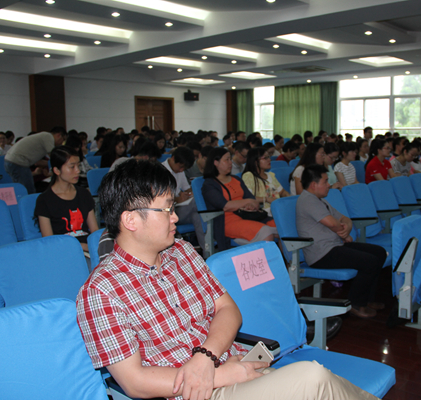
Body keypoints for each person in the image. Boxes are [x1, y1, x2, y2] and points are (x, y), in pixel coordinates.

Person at [76, 159, 376, 400]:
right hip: (191, 392)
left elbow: (228, 309)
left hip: (229, 366)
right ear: (130, 220)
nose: (176, 217)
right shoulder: (101, 292)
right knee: (312, 379)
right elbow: (135, 383)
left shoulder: (180, 251)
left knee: (319, 384)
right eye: (167, 209)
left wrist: (207, 357)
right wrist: (222, 375)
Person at [296, 165, 386, 319]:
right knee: (369, 261)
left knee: (379, 252)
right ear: (313, 185)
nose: (329, 185)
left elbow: (344, 219)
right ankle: (356, 304)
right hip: (321, 253)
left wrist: (346, 228)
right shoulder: (307, 201)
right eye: (325, 181)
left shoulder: (320, 201)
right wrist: (343, 231)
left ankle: (367, 299)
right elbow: (332, 223)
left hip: (334, 246)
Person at [202, 148, 277, 251]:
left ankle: (289, 263)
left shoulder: (236, 179)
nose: (230, 163)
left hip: (248, 216)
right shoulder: (209, 185)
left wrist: (251, 205)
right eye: (226, 160)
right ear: (216, 162)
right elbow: (225, 206)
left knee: (282, 227)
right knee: (265, 232)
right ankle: (262, 265)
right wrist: (247, 202)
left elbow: (253, 200)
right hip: (226, 221)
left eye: (230, 159)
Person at [34, 146, 99, 251]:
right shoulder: (44, 200)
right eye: (72, 167)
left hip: (88, 249)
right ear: (57, 170)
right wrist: (82, 247)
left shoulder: (83, 194)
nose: (78, 171)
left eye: (78, 165)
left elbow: (95, 230)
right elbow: (49, 241)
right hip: (63, 251)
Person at [162, 146, 206, 251]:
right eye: (180, 167)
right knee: (198, 205)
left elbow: (186, 188)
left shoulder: (180, 171)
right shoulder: (161, 171)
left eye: (184, 169)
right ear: (173, 158)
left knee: (198, 216)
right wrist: (177, 199)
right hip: (169, 212)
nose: (181, 170)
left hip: (183, 208)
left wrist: (188, 193)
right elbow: (160, 199)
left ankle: (207, 251)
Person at [5, 127, 67, 194]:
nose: (62, 143)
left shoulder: (43, 137)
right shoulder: (48, 137)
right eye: (63, 140)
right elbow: (53, 156)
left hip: (11, 161)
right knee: (28, 191)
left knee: (23, 189)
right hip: (18, 163)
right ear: (58, 135)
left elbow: (38, 162)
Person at [242, 147, 289, 216]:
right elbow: (248, 197)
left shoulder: (270, 175)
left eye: (269, 157)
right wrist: (267, 199)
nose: (269, 160)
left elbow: (282, 192)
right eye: (265, 158)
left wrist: (289, 197)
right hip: (263, 212)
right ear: (255, 162)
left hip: (278, 209)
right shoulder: (249, 176)